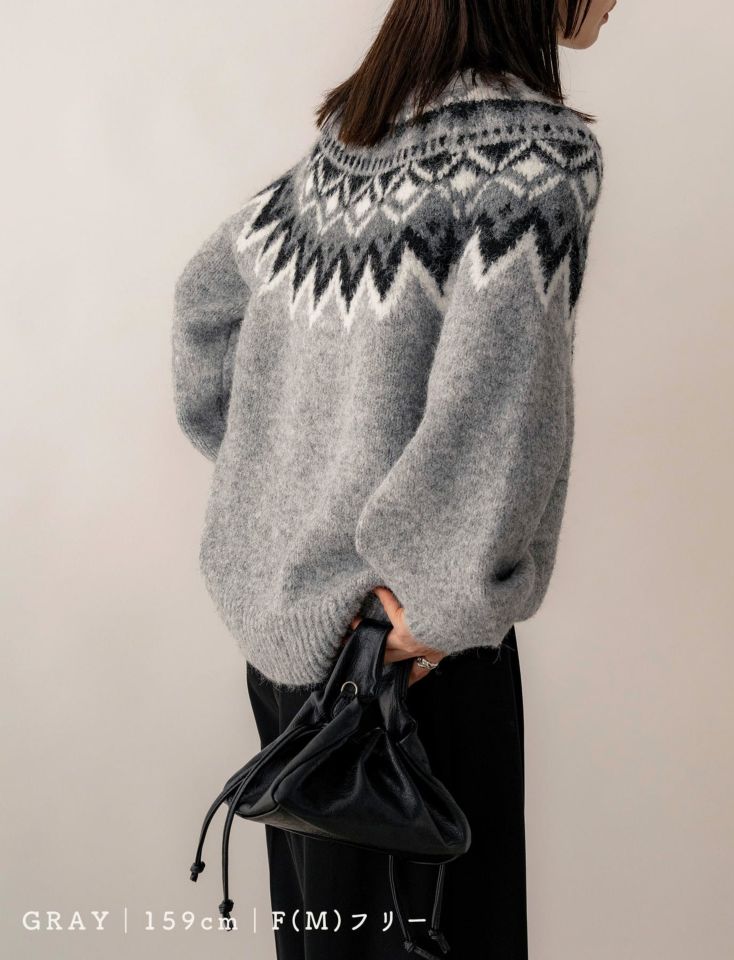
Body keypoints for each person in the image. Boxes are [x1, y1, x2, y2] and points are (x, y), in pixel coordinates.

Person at [172, 1, 613, 956]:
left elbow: (202, 308)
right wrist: (444, 609)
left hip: (295, 652)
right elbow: (496, 405)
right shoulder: (535, 156)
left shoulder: (353, 143)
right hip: (404, 667)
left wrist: (277, 484)